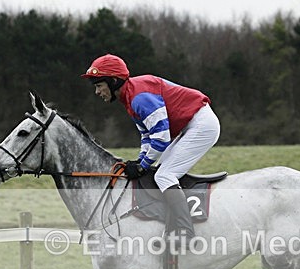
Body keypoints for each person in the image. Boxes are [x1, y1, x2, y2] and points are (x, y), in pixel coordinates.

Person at [82, 54, 220, 244]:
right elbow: (147, 136)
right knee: (159, 171)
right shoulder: (129, 97)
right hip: (189, 124)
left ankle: (185, 232)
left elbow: (161, 138)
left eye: (99, 86)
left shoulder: (140, 98)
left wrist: (143, 165)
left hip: (202, 125)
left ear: (113, 81)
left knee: (164, 175)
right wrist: (140, 161)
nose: (97, 92)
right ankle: (171, 222)